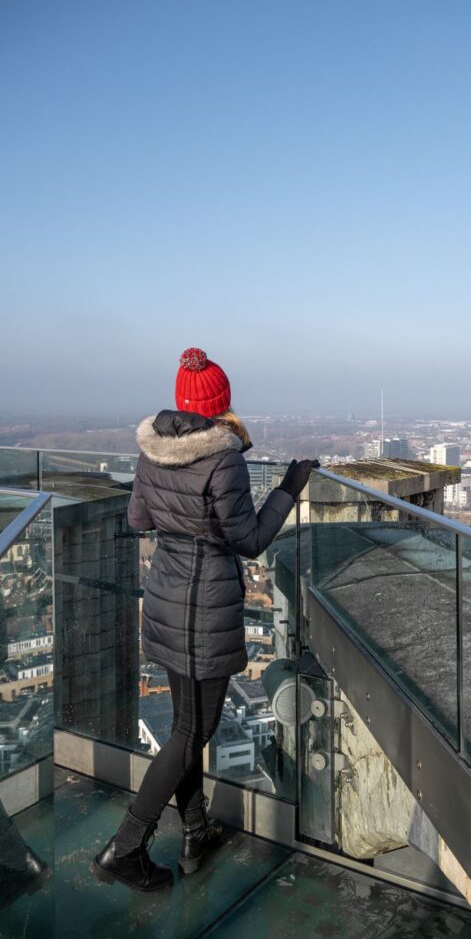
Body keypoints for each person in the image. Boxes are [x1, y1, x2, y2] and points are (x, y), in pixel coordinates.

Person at [91, 347, 318, 893]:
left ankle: (195, 831)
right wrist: (288, 489)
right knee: (194, 731)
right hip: (205, 604)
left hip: (167, 596)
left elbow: (139, 518)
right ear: (220, 404)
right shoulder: (225, 459)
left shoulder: (152, 453)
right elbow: (250, 540)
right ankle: (125, 847)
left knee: (185, 727)